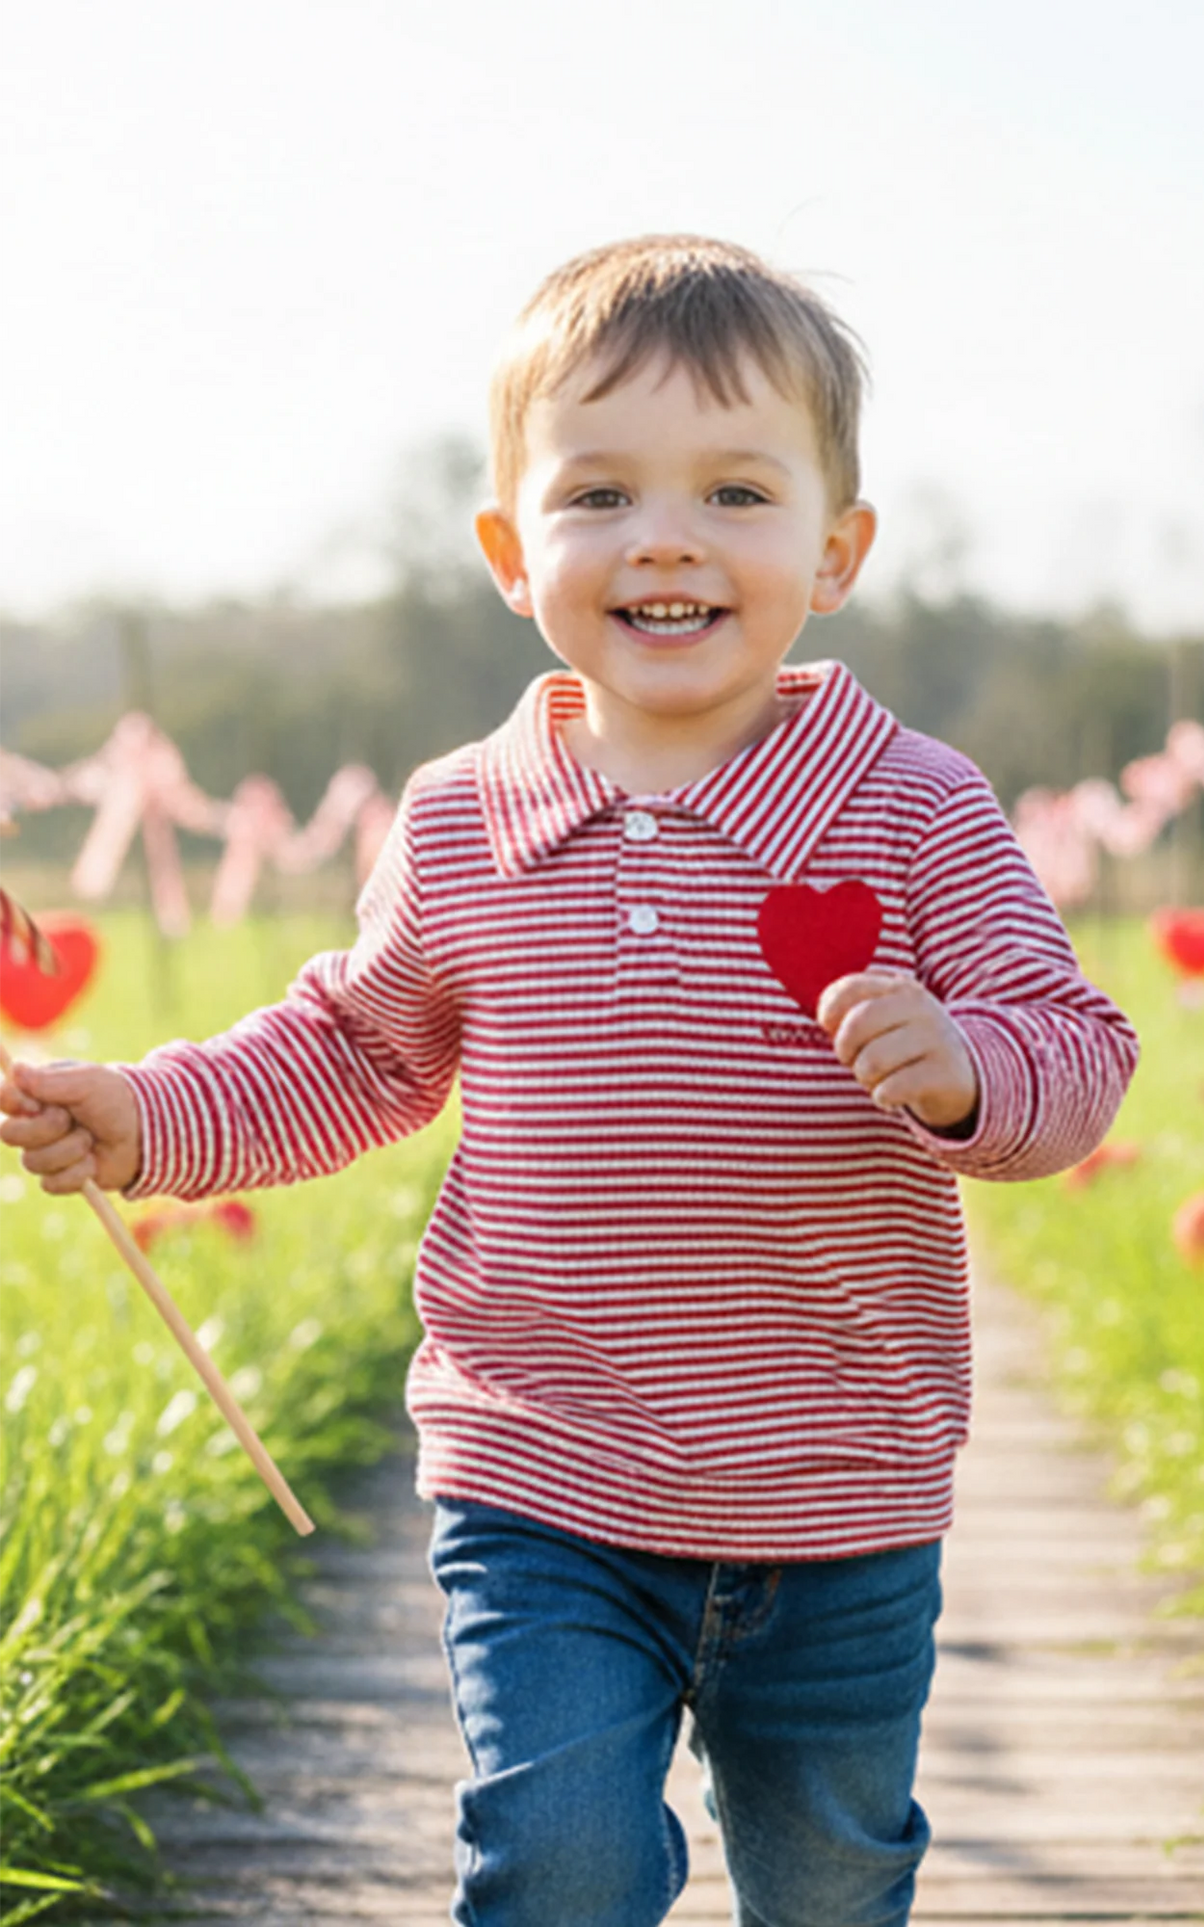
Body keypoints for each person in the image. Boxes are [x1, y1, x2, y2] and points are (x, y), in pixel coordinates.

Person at [0, 235, 1139, 1927]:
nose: (665, 536)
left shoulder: (914, 808)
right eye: (597, 491)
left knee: (830, 1874)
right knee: (557, 1864)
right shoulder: (467, 817)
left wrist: (973, 1068)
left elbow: (1082, 1047)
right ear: (508, 553)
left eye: (735, 492)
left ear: (836, 549)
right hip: (542, 1475)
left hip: (836, 1481)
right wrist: (151, 1111)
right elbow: (354, 1046)